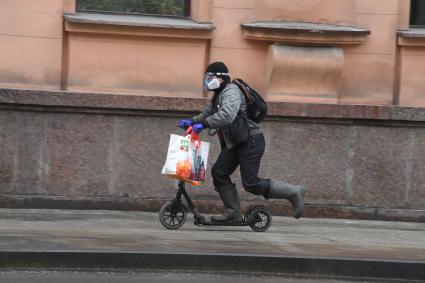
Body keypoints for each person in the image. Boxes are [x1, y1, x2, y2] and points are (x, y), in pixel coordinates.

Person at [179, 62, 306, 222]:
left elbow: (227, 115)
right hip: (237, 142)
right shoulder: (218, 94)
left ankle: (294, 192)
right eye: (207, 77)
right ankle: (233, 213)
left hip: (251, 141)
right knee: (219, 172)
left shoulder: (231, 91)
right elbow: (208, 113)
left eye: (210, 77)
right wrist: (191, 121)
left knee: (251, 184)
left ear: (220, 78)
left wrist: (203, 125)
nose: (208, 80)